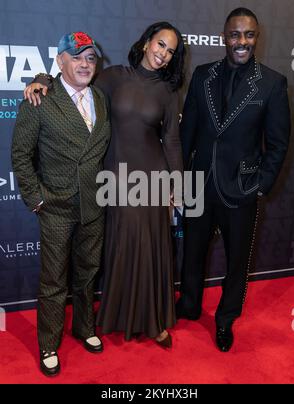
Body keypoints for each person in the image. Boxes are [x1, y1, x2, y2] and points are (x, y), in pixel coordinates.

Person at [24, 22, 185, 348]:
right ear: (146, 43)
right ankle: (120, 316)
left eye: (170, 51)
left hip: (151, 180)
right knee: (123, 250)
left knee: (151, 250)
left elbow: (171, 141)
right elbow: (71, 83)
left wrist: (177, 186)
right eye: (160, 44)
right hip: (114, 178)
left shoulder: (168, 93)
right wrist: (40, 80)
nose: (163, 54)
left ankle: (153, 322)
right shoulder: (112, 77)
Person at [176, 7, 291, 352]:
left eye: (249, 34)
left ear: (257, 37)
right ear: (224, 36)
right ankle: (189, 305)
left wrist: (260, 185)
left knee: (237, 260)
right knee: (192, 253)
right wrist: (181, 180)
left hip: (241, 189)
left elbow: (278, 143)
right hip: (198, 184)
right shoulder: (202, 75)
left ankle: (225, 320)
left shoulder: (272, 82)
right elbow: (187, 133)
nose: (242, 42)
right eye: (235, 34)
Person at [12, 32, 111, 376]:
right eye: (78, 56)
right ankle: (49, 343)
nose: (85, 64)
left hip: (94, 205)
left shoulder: (100, 97)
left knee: (87, 274)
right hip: (55, 206)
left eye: (91, 58)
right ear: (60, 61)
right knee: (54, 281)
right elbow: (21, 156)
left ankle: (85, 328)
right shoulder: (40, 98)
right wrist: (36, 198)